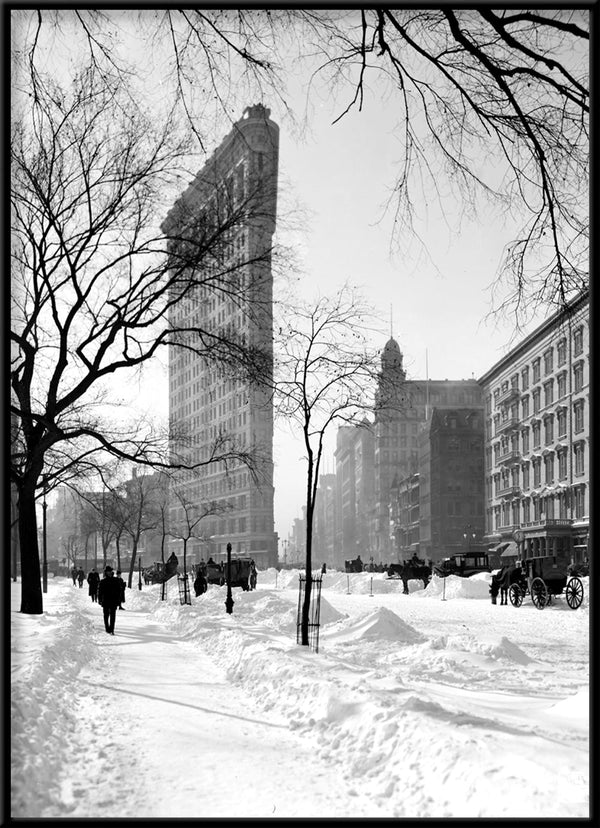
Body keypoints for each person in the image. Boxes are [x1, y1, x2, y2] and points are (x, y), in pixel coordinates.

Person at [98, 566, 122, 635]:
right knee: (106, 615)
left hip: (113, 600)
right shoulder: (103, 581)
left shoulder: (116, 580)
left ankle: (112, 629)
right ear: (105, 572)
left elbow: (119, 591)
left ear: (112, 572)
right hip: (105, 600)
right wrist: (99, 600)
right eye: (107, 571)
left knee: (113, 615)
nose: (109, 573)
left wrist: (118, 600)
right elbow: (99, 592)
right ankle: (107, 628)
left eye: (110, 571)